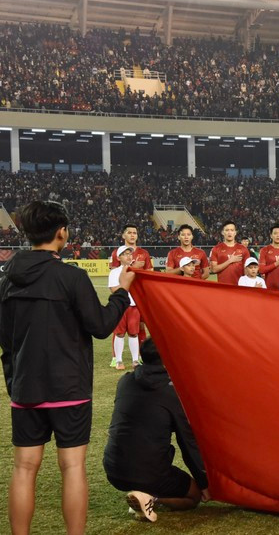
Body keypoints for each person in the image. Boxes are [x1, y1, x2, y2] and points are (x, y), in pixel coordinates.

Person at [1, 201, 132, 535]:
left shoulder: (7, 280)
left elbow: (6, 339)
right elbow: (100, 325)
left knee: (23, 468)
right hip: (69, 388)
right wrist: (122, 294)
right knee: (72, 466)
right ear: (62, 233)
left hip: (26, 388)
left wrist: (16, 381)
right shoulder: (71, 277)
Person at [103, 339, 209, 523]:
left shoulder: (125, 381)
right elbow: (187, 442)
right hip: (150, 472)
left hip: (113, 468)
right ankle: (151, 499)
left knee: (146, 464)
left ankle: (142, 495)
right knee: (194, 496)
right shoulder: (172, 392)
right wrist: (204, 482)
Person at [109, 246, 141, 370]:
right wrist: (126, 283)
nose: (128, 256)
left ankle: (135, 360)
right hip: (120, 306)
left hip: (133, 306)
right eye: (125, 254)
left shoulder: (136, 271)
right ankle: (118, 360)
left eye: (129, 253)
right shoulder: (114, 272)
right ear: (119, 258)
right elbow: (113, 289)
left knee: (134, 333)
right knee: (119, 333)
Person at [209, 221, 250, 285]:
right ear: (222, 232)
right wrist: (230, 261)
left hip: (240, 286)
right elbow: (214, 269)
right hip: (223, 287)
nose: (229, 232)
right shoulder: (216, 249)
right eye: (227, 230)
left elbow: (247, 271)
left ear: (235, 232)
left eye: (232, 230)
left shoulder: (243, 249)